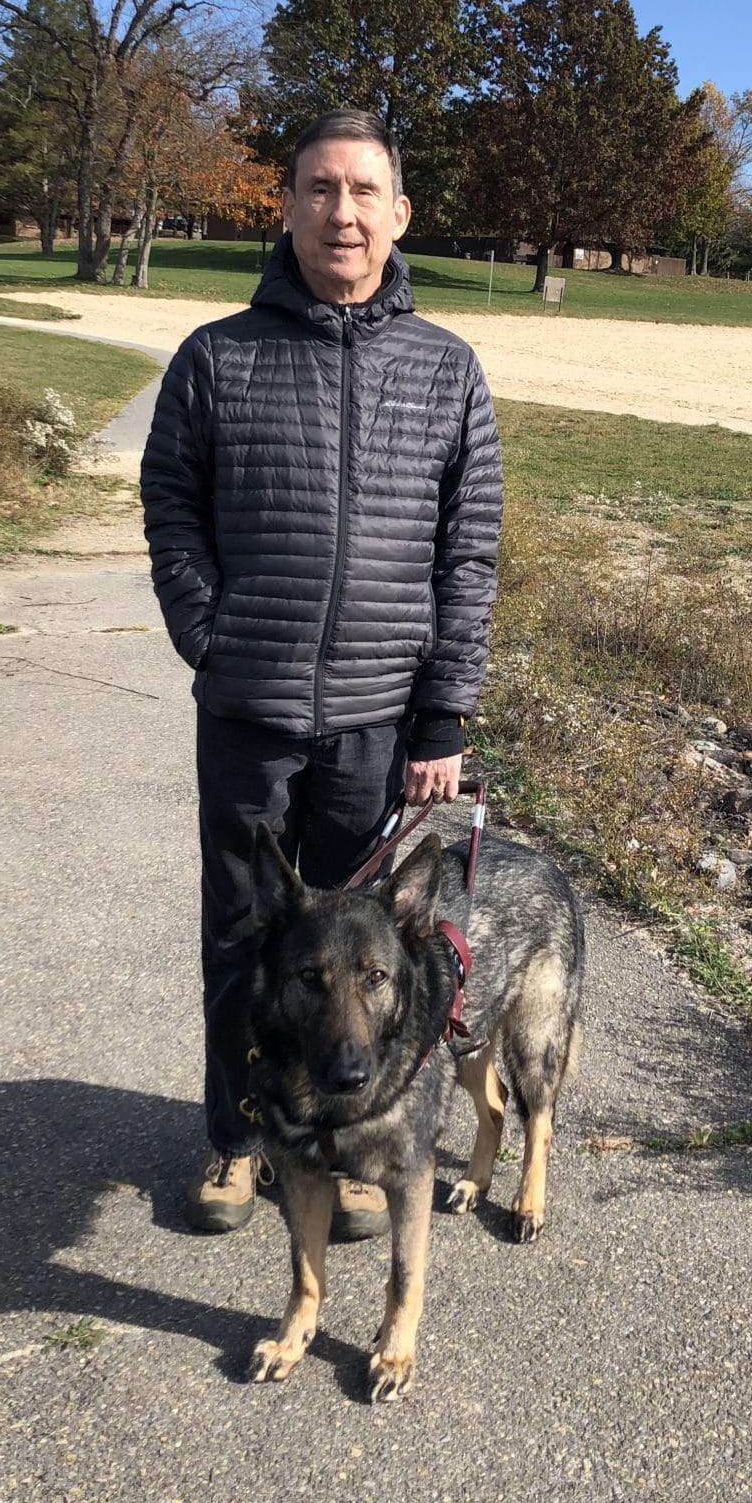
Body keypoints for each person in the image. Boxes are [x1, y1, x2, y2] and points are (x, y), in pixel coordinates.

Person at [140, 109, 504, 1238]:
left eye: (363, 192)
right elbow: (171, 507)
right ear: (286, 204)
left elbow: (470, 545)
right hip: (247, 704)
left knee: (361, 961)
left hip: (377, 722)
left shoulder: (448, 370)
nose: (340, 212)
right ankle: (238, 1140)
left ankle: (345, 1141)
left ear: (399, 213)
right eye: (318, 189)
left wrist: (441, 710)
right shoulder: (218, 355)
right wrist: (210, 631)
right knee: (246, 935)